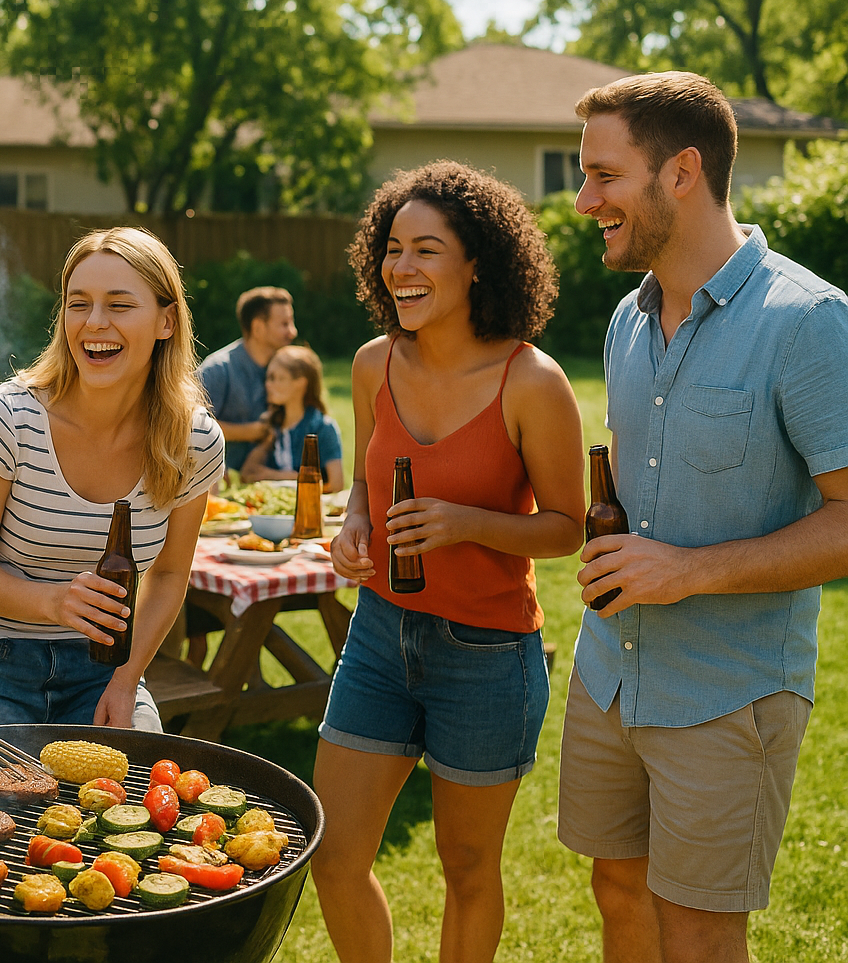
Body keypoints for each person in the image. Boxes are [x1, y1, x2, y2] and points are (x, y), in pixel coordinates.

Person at [564, 73, 848, 963]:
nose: (583, 201)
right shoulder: (626, 320)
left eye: (603, 176)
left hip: (728, 692)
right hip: (611, 672)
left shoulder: (808, 323)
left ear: (681, 172)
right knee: (616, 888)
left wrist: (687, 570)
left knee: (698, 931)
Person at [311, 161, 586, 963]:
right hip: (378, 639)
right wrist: (352, 530)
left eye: (426, 250)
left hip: (489, 654)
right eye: (393, 249)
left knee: (467, 866)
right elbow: (364, 487)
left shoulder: (531, 381)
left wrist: (469, 523)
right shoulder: (372, 365)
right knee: (334, 854)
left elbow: (570, 527)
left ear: (477, 265)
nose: (403, 267)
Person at [0, 227, 225, 729]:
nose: (94, 323)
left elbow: (172, 574)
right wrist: (53, 601)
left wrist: (127, 680)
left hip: (105, 668)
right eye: (78, 303)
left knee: (138, 802)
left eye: (119, 305)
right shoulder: (7, 420)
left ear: (166, 321)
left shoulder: (193, 442)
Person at [198, 285, 298, 473]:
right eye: (284, 324)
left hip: (277, 482)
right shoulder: (218, 369)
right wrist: (250, 432)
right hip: (224, 487)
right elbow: (191, 426)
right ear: (258, 328)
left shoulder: (290, 368)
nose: (293, 332)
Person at [239, 345, 344, 491]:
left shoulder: (322, 427)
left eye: (277, 378)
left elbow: (336, 484)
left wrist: (268, 475)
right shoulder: (271, 425)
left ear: (301, 383)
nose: (268, 385)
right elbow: (247, 474)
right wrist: (288, 476)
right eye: (268, 378)